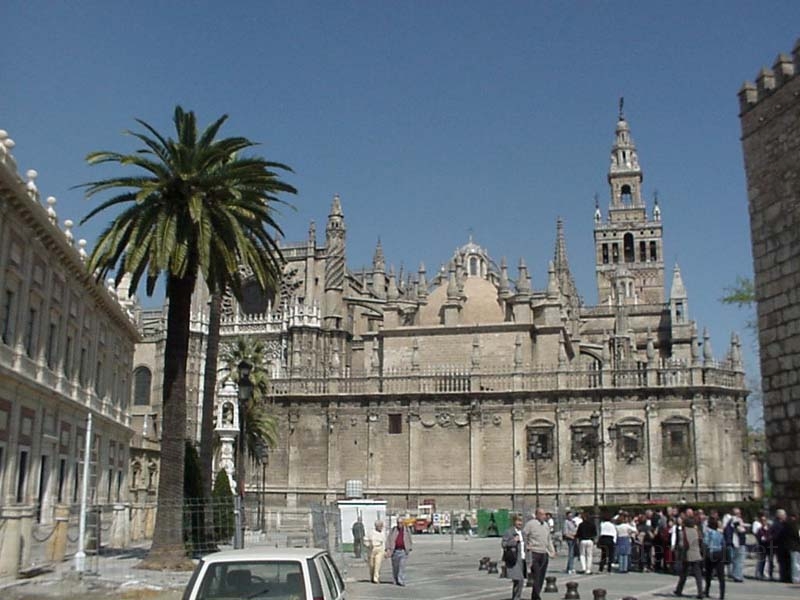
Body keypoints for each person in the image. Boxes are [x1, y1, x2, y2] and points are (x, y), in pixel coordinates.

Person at [522, 507, 556, 600]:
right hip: (534, 553)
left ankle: (535, 595)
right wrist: (526, 545)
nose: (543, 516)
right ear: (536, 515)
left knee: (541, 576)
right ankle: (536, 597)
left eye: (544, 514)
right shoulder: (531, 524)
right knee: (536, 575)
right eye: (541, 514)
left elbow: (548, 540)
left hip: (544, 553)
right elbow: (523, 535)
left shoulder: (546, 525)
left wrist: (552, 551)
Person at [673, 516, 703, 599]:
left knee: (684, 574)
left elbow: (682, 544)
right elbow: (701, 541)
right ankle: (700, 592)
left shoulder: (683, 532)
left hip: (687, 554)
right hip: (697, 553)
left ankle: (679, 590)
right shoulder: (697, 531)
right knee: (698, 575)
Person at [502, 515, 527, 600]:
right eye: (518, 521)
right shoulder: (509, 532)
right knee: (519, 579)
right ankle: (517, 597)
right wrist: (513, 541)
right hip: (514, 559)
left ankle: (516, 597)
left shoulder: (523, 532)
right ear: (514, 522)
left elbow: (525, 545)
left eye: (521, 521)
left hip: (523, 559)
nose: (520, 523)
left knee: (520, 580)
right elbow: (504, 544)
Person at [385, 516, 413, 586]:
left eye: (400, 523)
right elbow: (388, 539)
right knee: (395, 567)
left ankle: (401, 580)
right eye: (398, 523)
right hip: (394, 551)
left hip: (403, 551)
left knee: (402, 566)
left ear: (403, 523)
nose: (399, 524)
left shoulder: (406, 530)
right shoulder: (393, 530)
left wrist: (409, 547)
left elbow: (409, 538)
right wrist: (388, 548)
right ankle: (395, 579)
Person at [703, 516, 726, 600]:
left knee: (708, 573)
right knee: (721, 575)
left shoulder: (708, 532)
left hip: (711, 553)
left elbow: (705, 543)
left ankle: (707, 590)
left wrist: (704, 554)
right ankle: (722, 594)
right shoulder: (720, 533)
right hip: (719, 553)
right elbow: (723, 543)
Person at [722, 507, 746, 583]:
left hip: (737, 542)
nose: (739, 515)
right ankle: (737, 576)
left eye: (739, 513)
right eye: (737, 513)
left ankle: (736, 574)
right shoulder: (733, 520)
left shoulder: (734, 520)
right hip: (735, 543)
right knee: (737, 560)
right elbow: (740, 530)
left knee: (736, 560)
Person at [753, 513, 773, 580]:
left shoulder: (770, 528)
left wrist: (768, 538)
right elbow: (759, 537)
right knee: (762, 561)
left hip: (769, 547)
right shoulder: (760, 529)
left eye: (764, 520)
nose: (763, 522)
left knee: (770, 561)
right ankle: (760, 574)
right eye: (762, 520)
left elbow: (771, 536)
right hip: (762, 547)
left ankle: (769, 574)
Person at [366, 519, 386, 584]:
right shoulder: (371, 532)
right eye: (379, 526)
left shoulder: (383, 533)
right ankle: (372, 576)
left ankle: (376, 578)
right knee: (372, 565)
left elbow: (383, 542)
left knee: (378, 564)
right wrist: (368, 544)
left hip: (379, 549)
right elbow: (366, 540)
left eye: (381, 526)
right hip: (372, 549)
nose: (381, 527)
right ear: (376, 526)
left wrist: (384, 551)